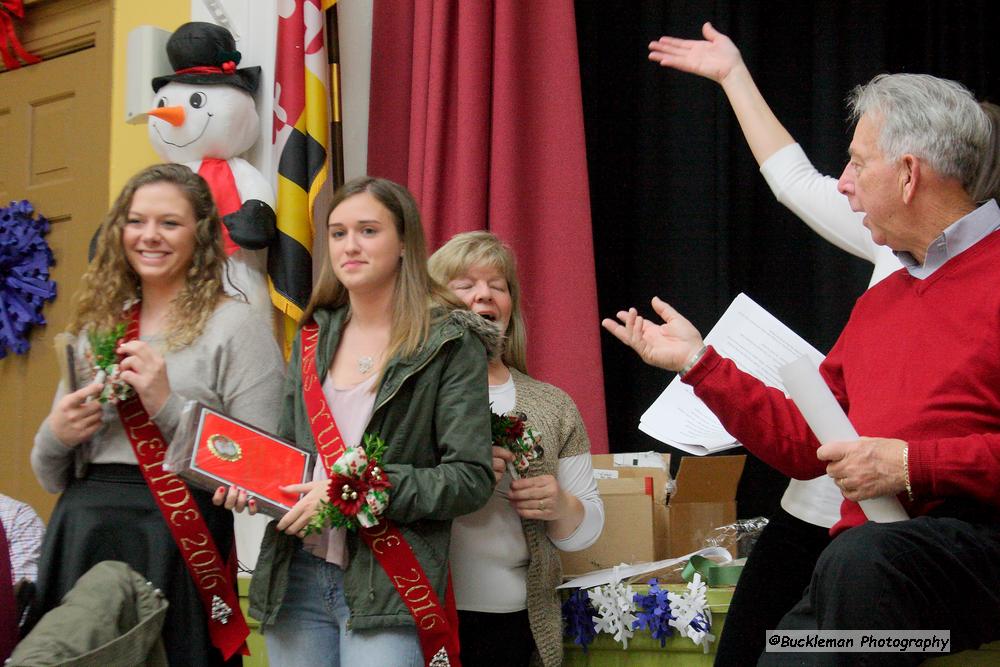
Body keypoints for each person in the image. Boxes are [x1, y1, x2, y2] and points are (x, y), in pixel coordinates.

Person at [604, 73, 1000, 666]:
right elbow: (804, 444)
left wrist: (909, 465)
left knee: (860, 561)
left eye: (858, 164)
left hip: (969, 553)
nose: (843, 184)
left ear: (910, 174)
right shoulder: (881, 302)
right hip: (872, 574)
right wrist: (696, 362)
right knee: (774, 649)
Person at [30, 163, 285, 666]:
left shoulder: (235, 326)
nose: (150, 235)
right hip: (83, 533)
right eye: (136, 220)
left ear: (201, 234)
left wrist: (168, 406)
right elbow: (49, 474)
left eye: (170, 223)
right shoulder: (100, 325)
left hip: (176, 538)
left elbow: (263, 470)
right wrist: (57, 433)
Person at [236, 177, 494, 667]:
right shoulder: (312, 336)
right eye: (337, 233)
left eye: (368, 230)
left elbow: (470, 479)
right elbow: (293, 458)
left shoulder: (450, 343)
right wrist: (248, 483)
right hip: (297, 575)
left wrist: (357, 490)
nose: (349, 245)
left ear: (403, 244)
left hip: (389, 582)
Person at [427, 231, 604, 667]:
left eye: (497, 285)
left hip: (516, 625)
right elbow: (378, 483)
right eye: (465, 285)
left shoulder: (553, 404)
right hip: (421, 614)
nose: (483, 294)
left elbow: (587, 529)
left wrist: (560, 505)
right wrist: (455, 473)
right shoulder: (408, 392)